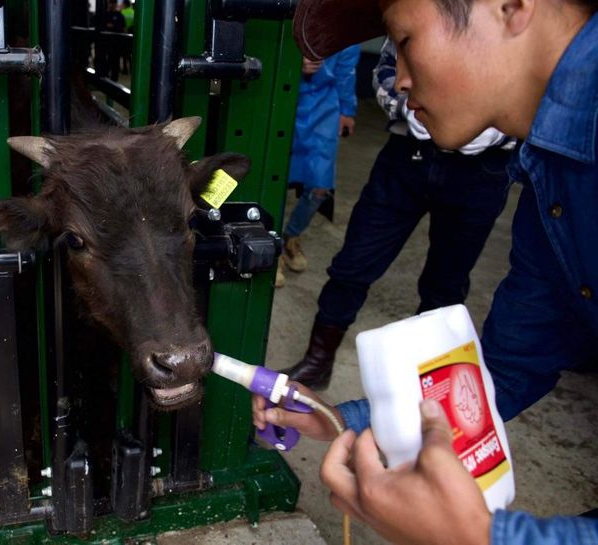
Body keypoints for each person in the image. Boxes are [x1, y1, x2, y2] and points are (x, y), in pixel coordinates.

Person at [256, 0, 598, 542]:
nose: (399, 79)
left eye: (406, 39)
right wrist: (349, 419)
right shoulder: (547, 172)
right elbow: (506, 372)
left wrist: (482, 536)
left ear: (510, 7)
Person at [281, 37, 513, 389]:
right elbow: (386, 68)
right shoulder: (419, 18)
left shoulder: (521, 28)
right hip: (408, 155)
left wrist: (487, 126)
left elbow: (534, 92)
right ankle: (317, 363)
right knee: (353, 264)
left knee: (445, 286)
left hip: (482, 170)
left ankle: (430, 384)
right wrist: (410, 107)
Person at [278, 46, 360, 288]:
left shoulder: (346, 28)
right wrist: (293, 61)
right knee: (275, 179)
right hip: (284, 97)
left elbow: (346, 69)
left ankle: (291, 236)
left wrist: (347, 110)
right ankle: (271, 249)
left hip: (324, 106)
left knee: (320, 186)